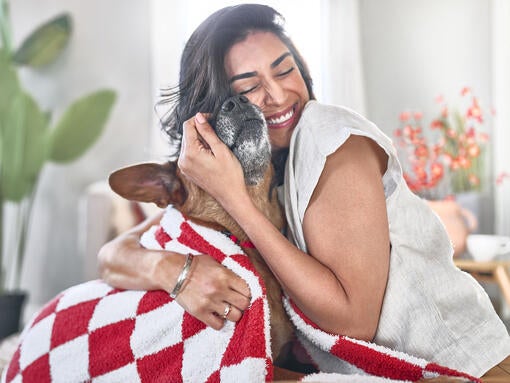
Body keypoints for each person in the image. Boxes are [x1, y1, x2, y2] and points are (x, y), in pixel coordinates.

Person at [98, 3, 510, 377]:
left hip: (465, 369)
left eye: (284, 69)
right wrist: (174, 272)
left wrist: (236, 201)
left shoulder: (327, 135)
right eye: (246, 89)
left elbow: (352, 323)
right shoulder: (264, 168)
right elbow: (117, 253)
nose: (277, 95)